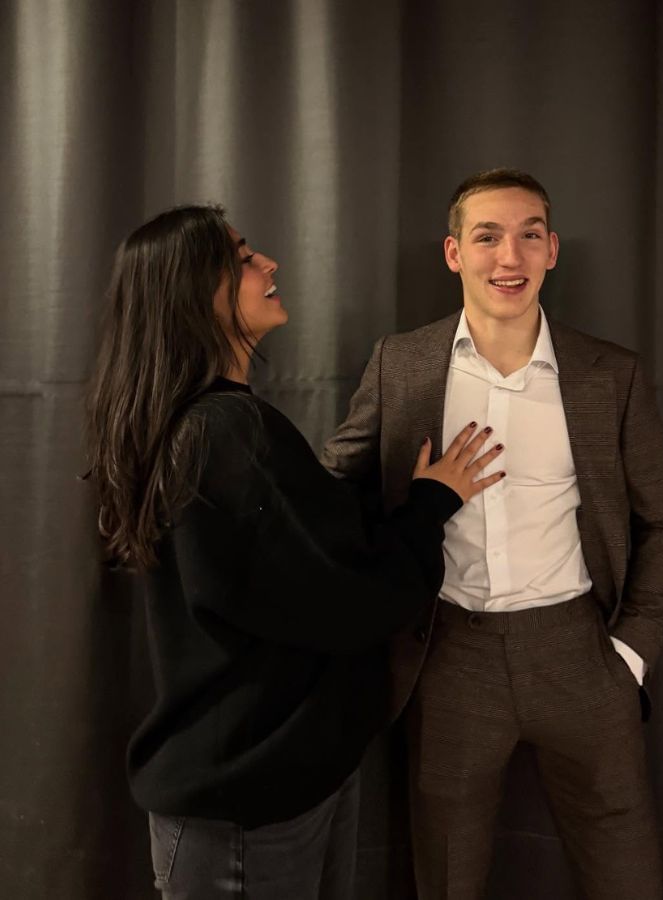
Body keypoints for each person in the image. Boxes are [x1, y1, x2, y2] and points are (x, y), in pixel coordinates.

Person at [85, 205, 504, 899]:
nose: (268, 264)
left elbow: (303, 556)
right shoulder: (226, 434)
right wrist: (432, 505)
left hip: (277, 787)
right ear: (194, 291)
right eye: (244, 257)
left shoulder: (208, 427)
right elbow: (343, 599)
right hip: (247, 805)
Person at [321, 168, 663, 899]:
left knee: (628, 876)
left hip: (581, 654)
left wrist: (631, 656)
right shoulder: (403, 364)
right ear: (454, 253)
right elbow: (331, 491)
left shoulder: (610, 374)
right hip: (451, 658)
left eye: (527, 236)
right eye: (487, 236)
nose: (508, 258)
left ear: (552, 250)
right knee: (447, 876)